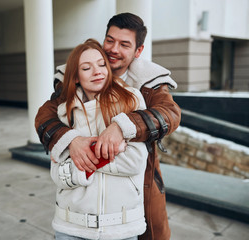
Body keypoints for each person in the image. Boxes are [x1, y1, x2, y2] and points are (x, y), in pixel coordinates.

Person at [35, 12, 181, 240]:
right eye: (110, 40)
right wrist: (72, 141)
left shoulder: (146, 84)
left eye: (124, 44)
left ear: (138, 51)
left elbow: (169, 114)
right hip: (81, 209)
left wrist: (122, 126)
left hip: (138, 185)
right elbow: (46, 115)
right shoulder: (75, 78)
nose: (114, 49)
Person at [51, 38, 148, 240]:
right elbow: (58, 174)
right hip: (71, 227)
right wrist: (112, 150)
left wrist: (81, 157)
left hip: (122, 227)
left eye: (102, 64)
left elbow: (135, 161)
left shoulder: (131, 100)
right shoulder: (64, 112)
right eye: (86, 68)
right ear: (76, 77)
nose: (97, 71)